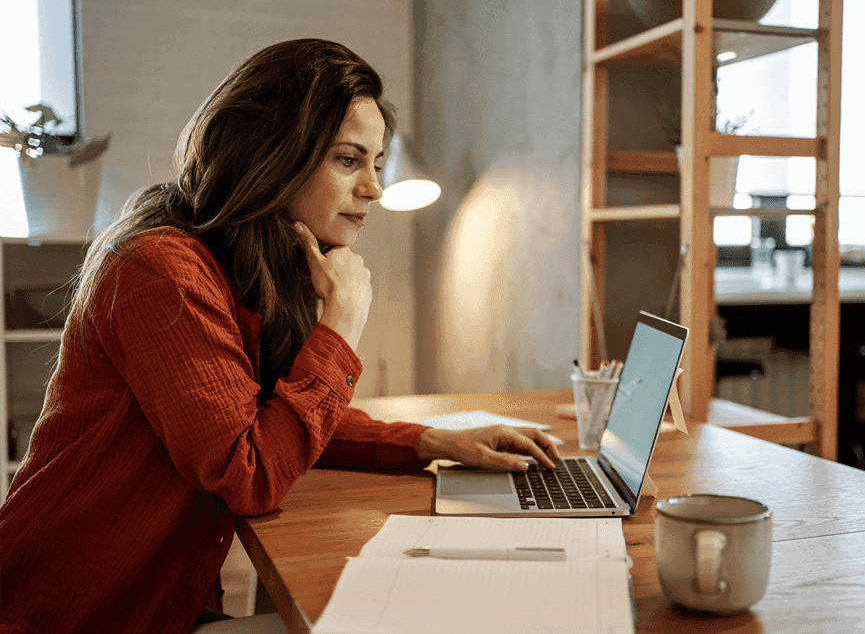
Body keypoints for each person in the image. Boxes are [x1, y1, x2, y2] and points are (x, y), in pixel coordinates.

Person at [0, 38, 559, 634]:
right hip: (68, 614)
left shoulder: (247, 263)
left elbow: (272, 416)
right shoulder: (161, 270)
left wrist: (433, 442)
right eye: (349, 160)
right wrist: (341, 322)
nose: (373, 186)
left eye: (376, 161)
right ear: (273, 155)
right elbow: (251, 473)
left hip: (157, 601)